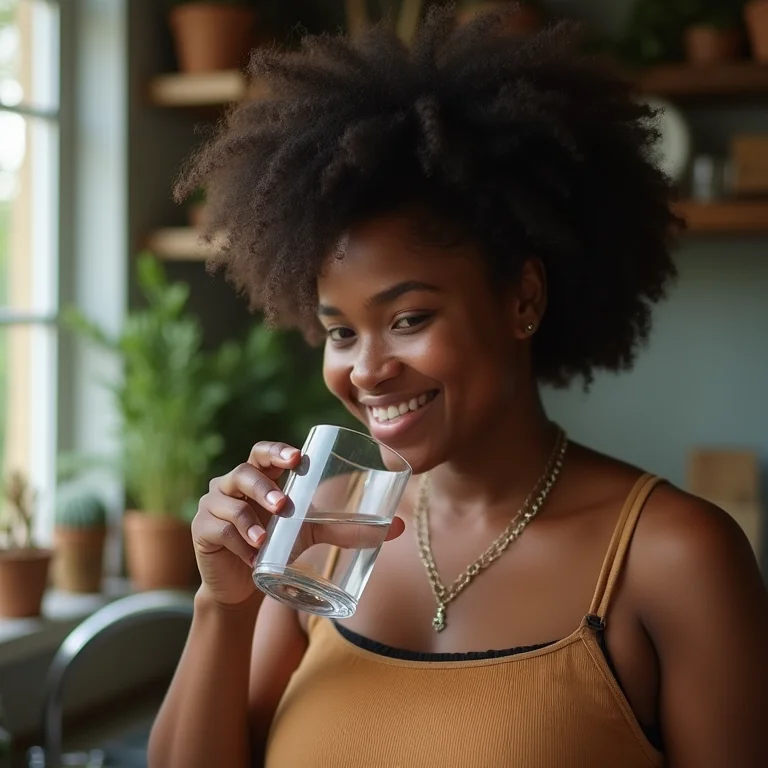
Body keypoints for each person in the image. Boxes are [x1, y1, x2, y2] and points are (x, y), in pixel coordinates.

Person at [148, 8, 768, 768]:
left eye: (408, 317)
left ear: (523, 301)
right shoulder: (318, 541)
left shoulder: (676, 556)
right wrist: (223, 604)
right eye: (341, 331)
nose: (367, 369)